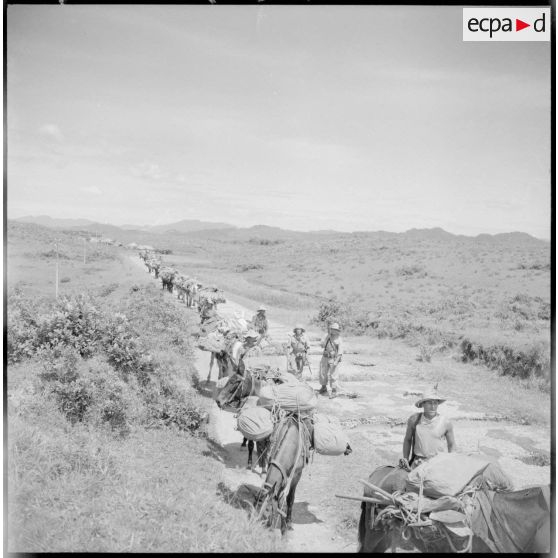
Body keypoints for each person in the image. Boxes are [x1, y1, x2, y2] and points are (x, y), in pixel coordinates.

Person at [399, 391, 456, 471]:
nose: (433, 407)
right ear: (423, 404)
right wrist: (406, 458)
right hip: (418, 463)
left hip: (438, 464)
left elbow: (451, 444)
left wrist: (450, 461)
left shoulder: (446, 422)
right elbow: (408, 440)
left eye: (435, 403)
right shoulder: (414, 419)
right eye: (429, 403)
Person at [318, 322, 343, 398]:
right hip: (325, 357)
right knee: (322, 372)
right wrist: (327, 337)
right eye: (332, 329)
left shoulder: (339, 339)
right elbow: (322, 345)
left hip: (333, 358)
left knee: (333, 375)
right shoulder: (326, 336)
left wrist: (336, 361)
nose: (333, 331)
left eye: (335, 329)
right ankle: (323, 387)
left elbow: (340, 352)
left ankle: (334, 391)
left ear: (337, 330)